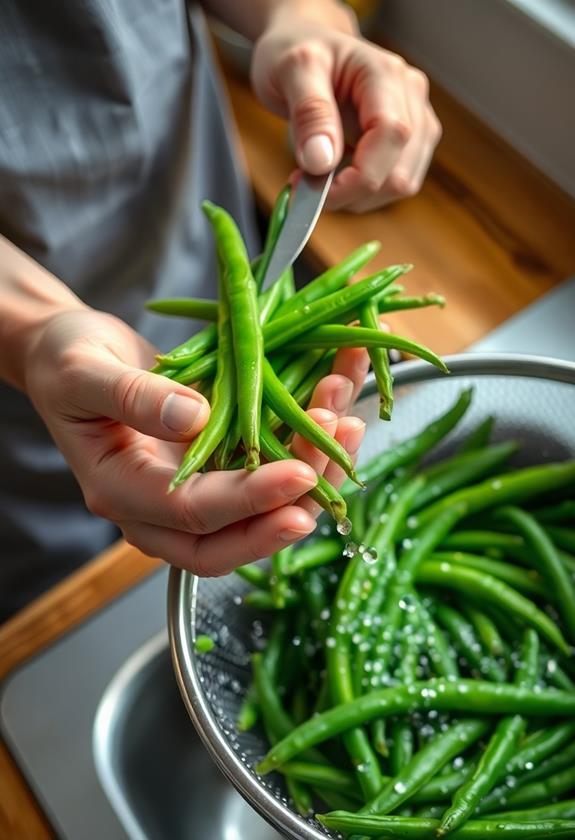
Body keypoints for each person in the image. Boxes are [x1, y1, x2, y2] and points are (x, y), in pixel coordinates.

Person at [0, 0, 441, 622]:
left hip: (188, 230)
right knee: (65, 609)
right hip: (13, 401)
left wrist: (302, 21)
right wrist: (29, 328)